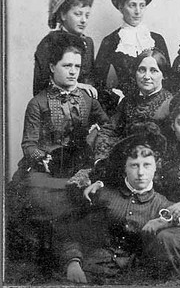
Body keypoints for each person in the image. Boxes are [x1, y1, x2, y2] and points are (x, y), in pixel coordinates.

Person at [84, 88, 180, 282]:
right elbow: (129, 166)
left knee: (165, 239)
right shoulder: (162, 151)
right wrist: (100, 182)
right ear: (173, 125)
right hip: (158, 214)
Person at [7, 32, 109, 266]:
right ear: (52, 67)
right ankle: (59, 256)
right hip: (47, 169)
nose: (73, 71)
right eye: (67, 65)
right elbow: (28, 144)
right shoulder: (38, 103)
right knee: (36, 193)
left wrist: (95, 137)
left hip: (79, 166)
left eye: (77, 66)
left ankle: (76, 256)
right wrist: (42, 158)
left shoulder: (87, 98)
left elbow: (107, 126)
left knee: (93, 195)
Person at [57, 122, 174, 283]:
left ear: (156, 167)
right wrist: (73, 262)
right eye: (134, 165)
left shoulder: (162, 204)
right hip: (91, 269)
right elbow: (70, 230)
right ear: (124, 167)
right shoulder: (103, 195)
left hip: (134, 277)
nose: (141, 173)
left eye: (147, 165)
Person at [94, 0, 170, 114]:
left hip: (158, 107)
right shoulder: (111, 41)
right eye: (132, 5)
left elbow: (168, 79)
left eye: (142, 5)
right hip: (126, 109)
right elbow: (97, 82)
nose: (138, 11)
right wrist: (115, 99)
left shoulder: (157, 39)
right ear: (121, 7)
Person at [94, 48, 173, 162]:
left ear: (163, 74)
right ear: (135, 73)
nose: (146, 76)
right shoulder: (128, 100)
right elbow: (110, 131)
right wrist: (101, 159)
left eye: (153, 71)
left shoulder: (171, 103)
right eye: (142, 70)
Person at [33, 0, 97, 98]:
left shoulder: (88, 43)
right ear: (63, 15)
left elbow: (91, 80)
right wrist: (76, 86)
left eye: (87, 15)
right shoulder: (49, 42)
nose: (84, 20)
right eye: (78, 14)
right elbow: (40, 86)